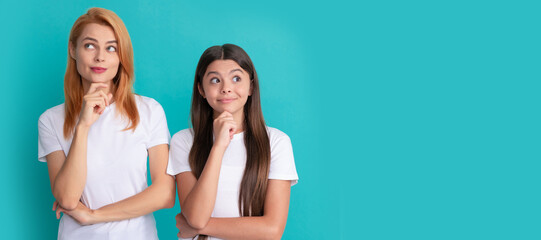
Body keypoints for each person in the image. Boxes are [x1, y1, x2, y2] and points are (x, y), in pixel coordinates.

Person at [37, 7, 175, 239]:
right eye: (90, 45)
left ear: (121, 56)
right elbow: (68, 198)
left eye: (111, 48)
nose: (100, 57)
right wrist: (82, 127)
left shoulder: (149, 110)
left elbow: (165, 193)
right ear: (73, 49)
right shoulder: (50, 120)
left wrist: (93, 215)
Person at [167, 44, 299, 240]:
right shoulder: (183, 141)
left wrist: (198, 227)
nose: (226, 88)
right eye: (214, 80)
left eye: (236, 78)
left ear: (251, 86)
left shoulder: (277, 142)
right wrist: (218, 146)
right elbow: (195, 216)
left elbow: (272, 230)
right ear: (201, 89)